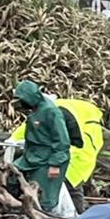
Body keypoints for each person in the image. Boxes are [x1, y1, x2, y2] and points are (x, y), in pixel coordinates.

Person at [10, 97, 103, 213]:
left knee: (65, 197)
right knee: (70, 197)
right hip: (75, 165)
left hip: (69, 164)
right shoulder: (50, 111)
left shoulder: (58, 114)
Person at [11, 80, 72, 211]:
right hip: (32, 156)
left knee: (44, 195)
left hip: (48, 159)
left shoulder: (51, 112)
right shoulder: (34, 111)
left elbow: (62, 140)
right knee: (11, 174)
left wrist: (55, 164)